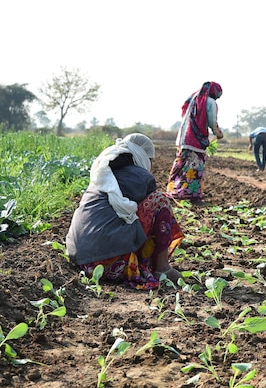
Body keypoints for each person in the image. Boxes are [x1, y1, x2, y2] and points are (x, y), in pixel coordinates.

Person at [66, 133, 184, 290]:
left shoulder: (104, 174)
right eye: (151, 161)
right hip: (111, 265)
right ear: (142, 156)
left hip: (83, 263)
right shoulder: (141, 176)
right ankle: (162, 268)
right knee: (160, 201)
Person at [167, 81, 224, 201]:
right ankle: (189, 194)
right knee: (194, 166)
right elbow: (212, 122)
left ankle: (174, 190)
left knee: (181, 164)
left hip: (183, 137)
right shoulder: (210, 102)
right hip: (196, 139)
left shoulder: (194, 98)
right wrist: (218, 133)